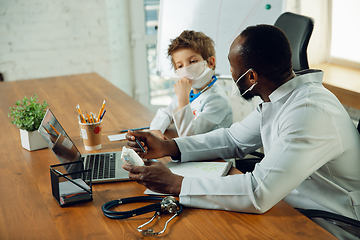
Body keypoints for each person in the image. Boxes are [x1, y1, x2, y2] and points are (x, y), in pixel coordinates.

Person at [124, 25, 360, 239]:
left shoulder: (307, 113)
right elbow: (232, 138)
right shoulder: (280, 98)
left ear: (251, 77)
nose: (230, 71)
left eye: (232, 65)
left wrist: (175, 184)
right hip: (289, 202)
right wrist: (169, 147)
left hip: (330, 221)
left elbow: (258, 192)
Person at [149, 30, 233, 139]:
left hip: (212, 155)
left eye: (192, 61)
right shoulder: (190, 93)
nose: (186, 69)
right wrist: (156, 130)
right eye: (180, 66)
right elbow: (166, 113)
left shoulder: (218, 100)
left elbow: (189, 135)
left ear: (210, 63)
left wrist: (183, 97)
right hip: (191, 153)